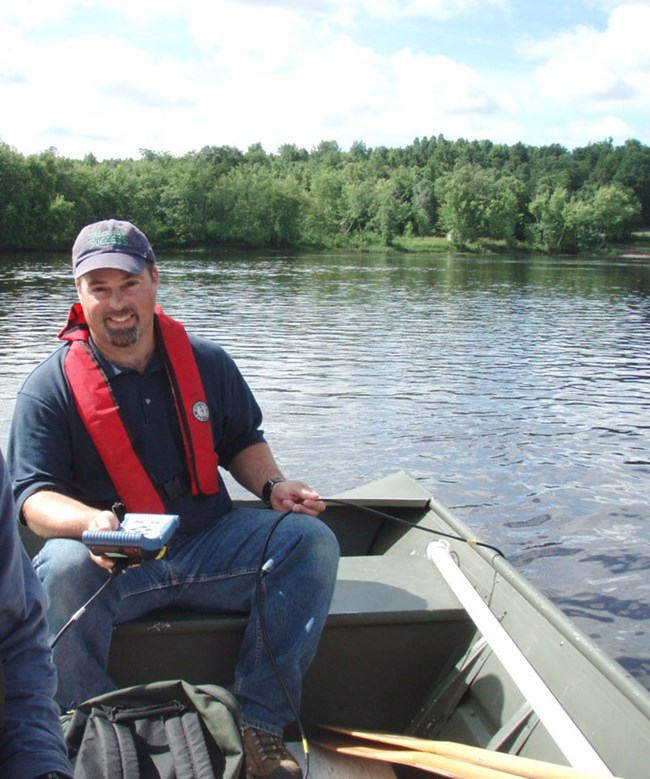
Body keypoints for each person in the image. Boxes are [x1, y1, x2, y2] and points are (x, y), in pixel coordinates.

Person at [7, 218, 340, 779]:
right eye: (99, 288)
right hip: (116, 567)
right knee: (59, 566)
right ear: (79, 295)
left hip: (209, 545)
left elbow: (242, 441)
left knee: (310, 542)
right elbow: (31, 498)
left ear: (154, 280)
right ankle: (87, 727)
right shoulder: (49, 387)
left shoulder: (207, 362)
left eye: (128, 284)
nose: (116, 303)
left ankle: (260, 725)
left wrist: (272, 486)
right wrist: (96, 526)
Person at [0, 449, 73, 779]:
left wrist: (42, 764)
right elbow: (31, 495)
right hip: (97, 550)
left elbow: (19, 639)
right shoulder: (50, 396)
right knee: (68, 566)